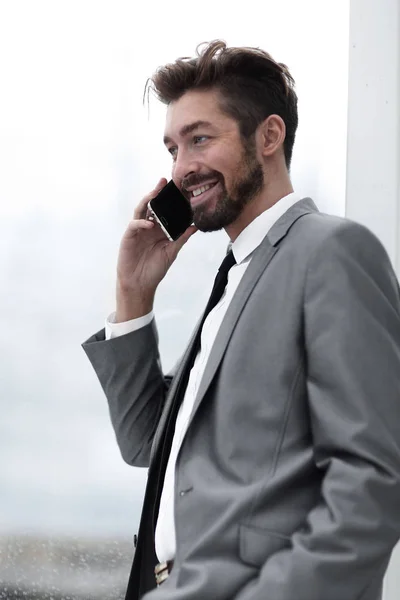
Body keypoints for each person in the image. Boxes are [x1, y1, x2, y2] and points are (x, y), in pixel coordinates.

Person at [82, 40, 400, 600]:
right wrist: (134, 293)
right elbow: (143, 445)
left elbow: (373, 483)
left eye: (200, 139)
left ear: (269, 137)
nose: (181, 169)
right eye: (173, 149)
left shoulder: (331, 251)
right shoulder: (234, 279)